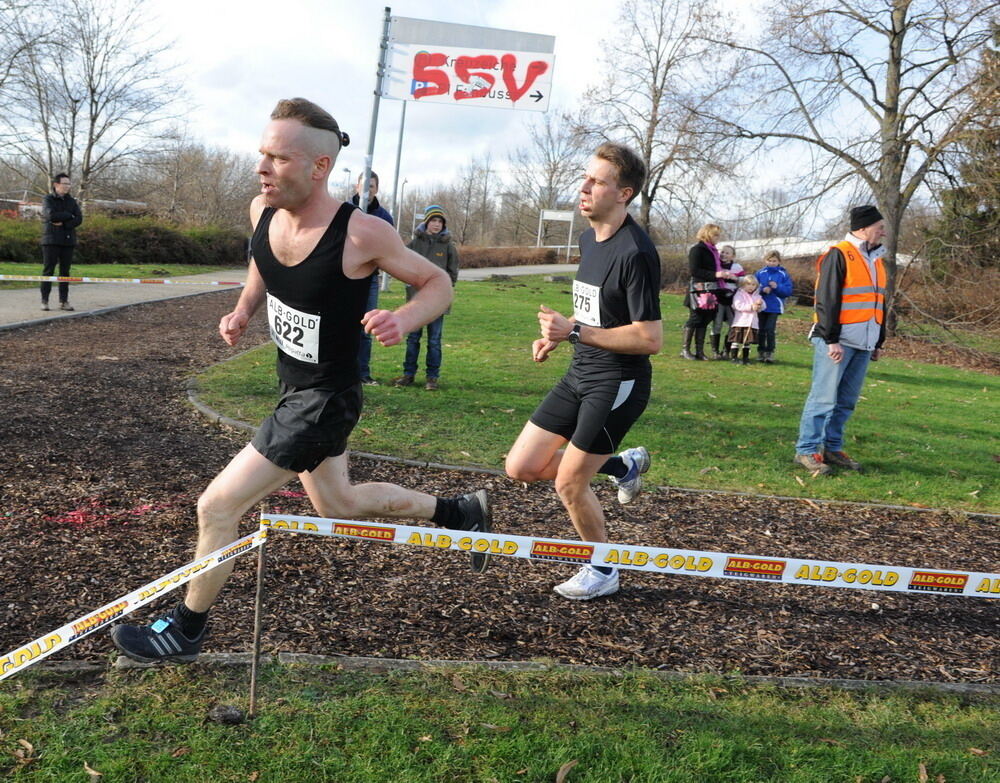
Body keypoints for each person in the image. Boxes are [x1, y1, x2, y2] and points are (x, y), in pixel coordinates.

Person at [110, 98, 491, 664]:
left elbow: (437, 282)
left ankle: (185, 630)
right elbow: (262, 263)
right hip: (293, 387)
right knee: (337, 505)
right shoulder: (260, 212)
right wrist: (243, 309)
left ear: (317, 167)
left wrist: (402, 318)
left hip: (324, 400)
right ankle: (460, 511)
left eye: (278, 159)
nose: (262, 168)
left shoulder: (361, 234)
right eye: (261, 155)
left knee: (217, 507)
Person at [504, 142, 662, 601]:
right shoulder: (589, 238)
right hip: (581, 370)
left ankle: (603, 568)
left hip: (618, 382)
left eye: (598, 181)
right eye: (586, 177)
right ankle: (623, 465)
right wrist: (559, 336)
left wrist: (575, 332)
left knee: (569, 481)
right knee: (521, 466)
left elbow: (650, 338)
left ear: (624, 193)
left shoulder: (637, 252)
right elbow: (596, 309)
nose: (585, 187)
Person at [793, 204, 887, 475]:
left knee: (846, 401)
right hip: (838, 341)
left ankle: (832, 448)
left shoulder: (876, 260)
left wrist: (878, 341)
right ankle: (807, 450)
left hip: (863, 342)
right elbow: (826, 299)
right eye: (879, 227)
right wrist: (831, 338)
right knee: (823, 399)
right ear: (863, 228)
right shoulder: (839, 254)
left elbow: (879, 302)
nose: (883, 232)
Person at [391, 205, 459, 391]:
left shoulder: (448, 247)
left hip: (437, 304)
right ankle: (408, 374)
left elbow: (452, 273)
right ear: (427, 222)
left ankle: (432, 378)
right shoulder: (414, 244)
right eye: (433, 221)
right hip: (415, 303)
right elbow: (401, 264)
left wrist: (443, 292)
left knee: (434, 340)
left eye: (440, 222)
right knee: (413, 338)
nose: (436, 225)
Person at [352, 171, 395, 386]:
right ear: (356, 187)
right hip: (342, 280)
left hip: (369, 281)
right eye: (364, 185)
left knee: (366, 328)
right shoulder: (342, 212)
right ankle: (339, 373)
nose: (367, 190)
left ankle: (363, 373)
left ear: (376, 190)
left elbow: (389, 251)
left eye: (372, 187)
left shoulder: (384, 218)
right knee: (340, 327)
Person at [681, 224, 735, 360]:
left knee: (706, 319)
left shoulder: (714, 251)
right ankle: (685, 350)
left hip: (712, 290)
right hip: (698, 291)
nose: (718, 238)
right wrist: (716, 274)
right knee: (695, 318)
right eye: (715, 235)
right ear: (707, 234)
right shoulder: (697, 250)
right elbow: (695, 271)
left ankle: (699, 351)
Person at [40, 173, 83, 312]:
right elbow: (50, 215)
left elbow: (78, 218)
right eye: (65, 184)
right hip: (51, 240)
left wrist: (64, 223)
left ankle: (63, 301)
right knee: (48, 271)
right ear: (56, 184)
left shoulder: (72, 201)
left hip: (67, 240)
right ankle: (44, 301)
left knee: (65, 272)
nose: (67, 186)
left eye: (69, 184)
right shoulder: (48, 199)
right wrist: (68, 215)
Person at [754, 250, 794, 363]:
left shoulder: (783, 274)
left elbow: (788, 291)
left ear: (779, 261)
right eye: (769, 261)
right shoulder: (760, 273)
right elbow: (752, 287)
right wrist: (762, 290)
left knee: (770, 330)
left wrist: (777, 287)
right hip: (762, 305)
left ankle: (770, 352)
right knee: (761, 330)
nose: (772, 263)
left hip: (775, 306)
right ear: (765, 261)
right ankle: (761, 351)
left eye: (774, 261)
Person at [710, 244, 744, 359]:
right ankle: (715, 351)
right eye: (722, 252)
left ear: (733, 256)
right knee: (717, 324)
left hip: (731, 299)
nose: (724, 254)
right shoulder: (716, 265)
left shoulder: (737, 267)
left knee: (732, 324)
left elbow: (744, 282)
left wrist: (736, 278)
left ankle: (726, 350)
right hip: (718, 298)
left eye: (727, 253)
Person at [728, 275, 764, 365]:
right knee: (736, 340)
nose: (751, 287)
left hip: (751, 323)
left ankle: (745, 358)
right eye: (748, 284)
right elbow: (738, 306)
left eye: (753, 285)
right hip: (740, 322)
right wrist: (751, 307)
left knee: (747, 341)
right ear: (743, 285)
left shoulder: (758, 296)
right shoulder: (739, 294)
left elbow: (763, 307)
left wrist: (760, 305)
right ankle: (734, 357)